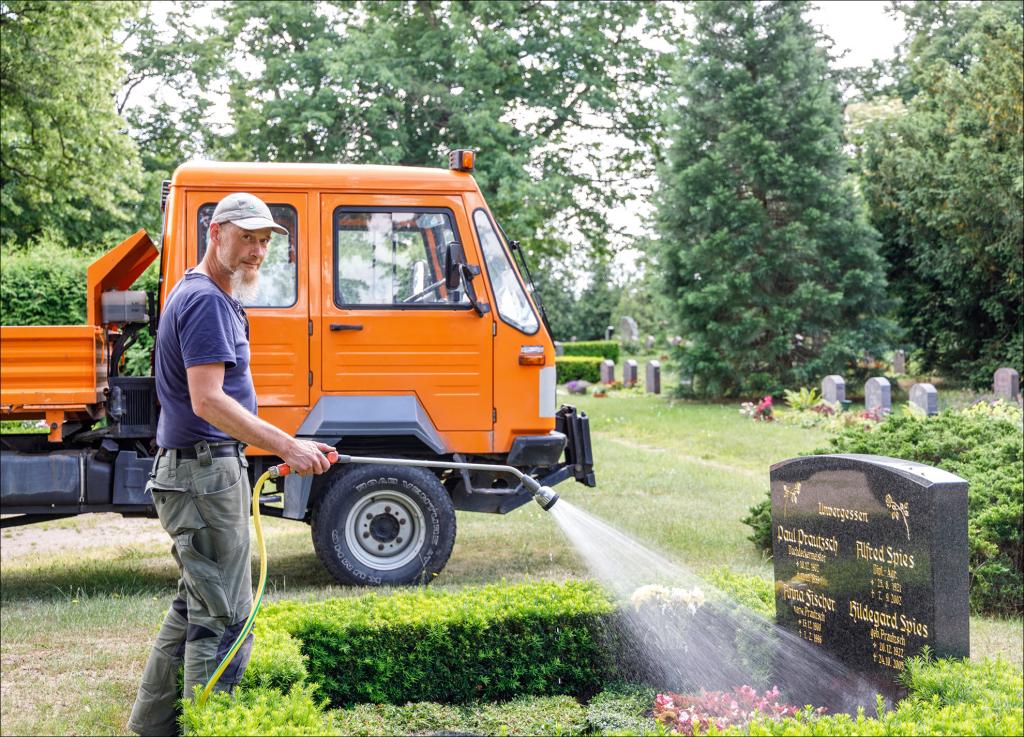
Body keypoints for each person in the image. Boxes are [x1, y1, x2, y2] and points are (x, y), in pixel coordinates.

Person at [128, 193, 334, 736]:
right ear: (215, 232)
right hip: (203, 474)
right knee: (224, 620)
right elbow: (209, 401)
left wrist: (285, 444)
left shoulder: (210, 295)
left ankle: (150, 726)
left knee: (195, 604)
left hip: (199, 470)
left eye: (265, 242)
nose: (257, 251)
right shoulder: (207, 301)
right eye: (247, 238)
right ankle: (210, 728)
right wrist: (287, 446)